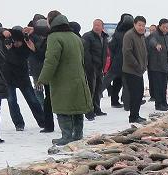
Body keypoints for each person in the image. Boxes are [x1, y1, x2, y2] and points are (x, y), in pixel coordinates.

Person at [37, 14, 93, 145]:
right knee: (77, 108)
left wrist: (42, 79)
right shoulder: (75, 37)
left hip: (62, 80)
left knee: (63, 108)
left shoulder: (54, 37)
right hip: (78, 78)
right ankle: (78, 134)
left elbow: (51, 61)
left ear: (51, 22)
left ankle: (66, 136)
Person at [0, 25, 46, 132]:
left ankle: (42, 121)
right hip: (8, 77)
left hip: (22, 77)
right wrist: (4, 31)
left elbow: (17, 60)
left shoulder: (26, 47)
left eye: (19, 41)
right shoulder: (6, 42)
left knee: (33, 100)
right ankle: (18, 123)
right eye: (15, 41)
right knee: (12, 101)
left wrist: (10, 50)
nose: (16, 43)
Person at [27, 15, 53, 132]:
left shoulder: (50, 38)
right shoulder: (45, 37)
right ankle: (46, 118)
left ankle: (48, 119)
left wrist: (34, 50)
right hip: (39, 69)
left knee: (46, 96)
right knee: (42, 94)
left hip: (45, 70)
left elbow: (45, 55)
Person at [121, 16, 148, 124]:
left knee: (139, 94)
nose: (141, 27)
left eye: (143, 25)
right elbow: (127, 53)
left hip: (139, 71)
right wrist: (137, 66)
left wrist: (144, 65)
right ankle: (133, 117)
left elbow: (144, 53)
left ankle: (136, 115)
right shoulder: (129, 35)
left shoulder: (141, 36)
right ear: (134, 24)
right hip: (131, 70)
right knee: (135, 94)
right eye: (139, 25)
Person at [82, 19, 108, 121]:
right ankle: (89, 111)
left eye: (98, 25)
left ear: (102, 27)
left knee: (98, 89)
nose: (96, 27)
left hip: (100, 67)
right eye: (94, 25)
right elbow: (85, 53)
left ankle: (97, 108)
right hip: (90, 68)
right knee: (90, 90)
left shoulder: (104, 37)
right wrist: (90, 66)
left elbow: (105, 53)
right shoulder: (87, 36)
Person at [106, 13, 133, 108]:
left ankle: (114, 101)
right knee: (126, 83)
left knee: (117, 82)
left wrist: (113, 58)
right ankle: (127, 104)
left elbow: (111, 46)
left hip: (117, 62)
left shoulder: (118, 31)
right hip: (126, 62)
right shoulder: (131, 34)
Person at [147, 18, 168, 112]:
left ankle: (164, 103)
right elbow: (151, 41)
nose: (166, 29)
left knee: (164, 86)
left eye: (167, 27)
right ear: (159, 26)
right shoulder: (154, 34)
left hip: (165, 65)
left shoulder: (167, 36)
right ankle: (158, 104)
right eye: (164, 27)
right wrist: (156, 45)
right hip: (156, 65)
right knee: (158, 86)